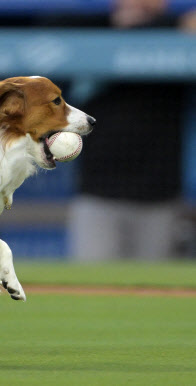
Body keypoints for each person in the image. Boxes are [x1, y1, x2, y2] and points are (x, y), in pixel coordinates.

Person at [68, 0, 189, 260]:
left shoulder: (175, 37)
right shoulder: (89, 32)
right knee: (93, 290)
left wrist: (175, 26)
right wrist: (123, 30)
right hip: (98, 195)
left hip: (159, 198)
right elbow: (54, 25)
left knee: (155, 291)